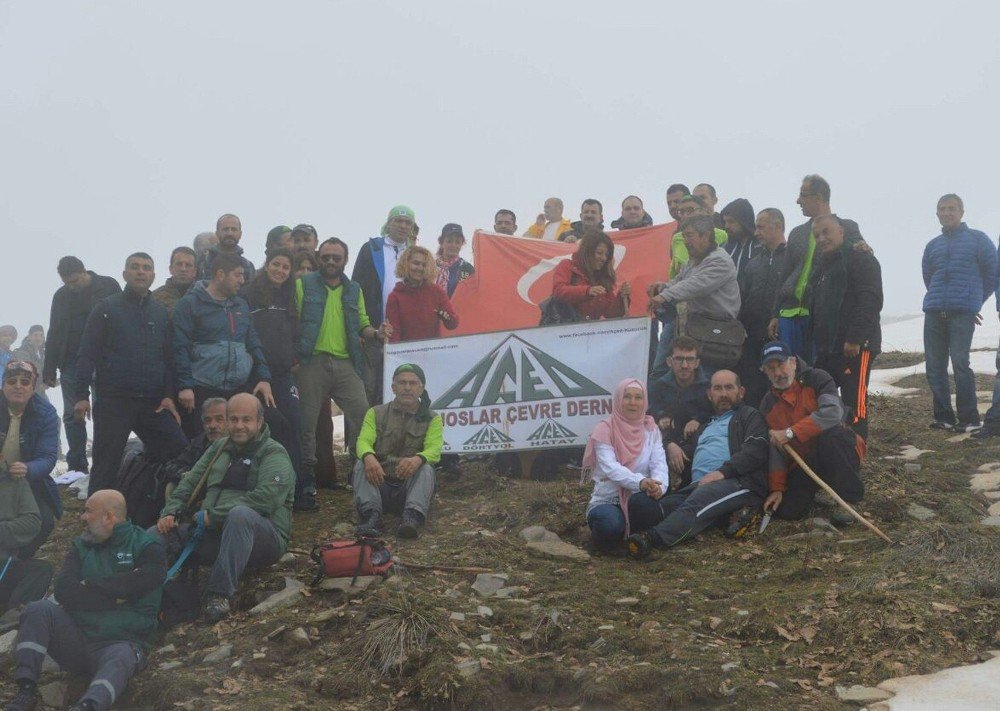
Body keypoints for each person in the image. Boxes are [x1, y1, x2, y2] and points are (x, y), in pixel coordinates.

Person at [7, 490, 165, 711]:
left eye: (88, 511)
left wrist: (90, 584)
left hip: (120, 641)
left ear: (109, 517)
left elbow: (144, 587)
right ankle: (26, 689)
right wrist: (117, 596)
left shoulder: (147, 546)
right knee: (38, 609)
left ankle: (88, 706)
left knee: (121, 658)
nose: (83, 517)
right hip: (77, 638)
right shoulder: (82, 545)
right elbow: (64, 591)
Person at [156, 393, 294, 622]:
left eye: (246, 420)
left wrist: (214, 515)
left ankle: (219, 594)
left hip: (263, 538)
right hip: (213, 533)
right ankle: (150, 597)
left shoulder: (274, 452)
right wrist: (170, 512)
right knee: (155, 535)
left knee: (239, 515)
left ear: (259, 422)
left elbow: (266, 499)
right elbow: (189, 484)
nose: (239, 426)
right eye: (234, 419)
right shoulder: (219, 448)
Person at [74, 253, 189, 495]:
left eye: (146, 268)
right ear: (125, 274)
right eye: (134, 267)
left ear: (153, 276)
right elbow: (86, 354)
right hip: (114, 400)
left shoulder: (159, 313)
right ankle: (95, 522)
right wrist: (81, 395)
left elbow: (168, 359)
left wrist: (169, 395)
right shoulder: (106, 308)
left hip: (152, 402)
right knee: (106, 464)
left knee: (179, 449)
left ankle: (166, 509)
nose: (140, 272)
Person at [626, 370, 770, 558]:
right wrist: (671, 445)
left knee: (700, 499)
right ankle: (722, 517)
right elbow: (679, 450)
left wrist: (722, 473)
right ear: (710, 394)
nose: (723, 394)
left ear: (741, 392)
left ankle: (653, 538)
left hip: (739, 482)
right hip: (696, 486)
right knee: (649, 506)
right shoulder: (705, 426)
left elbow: (756, 449)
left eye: (729, 387)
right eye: (718, 388)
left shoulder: (749, 416)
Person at [296, 238, 390, 497]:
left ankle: (361, 469)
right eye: (326, 257)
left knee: (364, 417)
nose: (330, 262)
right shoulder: (303, 285)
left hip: (346, 362)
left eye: (336, 258)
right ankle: (306, 480)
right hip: (311, 362)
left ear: (345, 260)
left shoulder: (354, 289)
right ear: (319, 258)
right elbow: (294, 319)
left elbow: (362, 322)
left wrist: (376, 333)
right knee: (307, 425)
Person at [758, 342, 865, 522]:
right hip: (807, 462)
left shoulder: (817, 378)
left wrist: (790, 433)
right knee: (787, 512)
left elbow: (832, 413)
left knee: (829, 437)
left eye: (781, 365)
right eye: (771, 368)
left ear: (792, 362)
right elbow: (776, 447)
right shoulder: (767, 405)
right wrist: (777, 488)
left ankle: (850, 498)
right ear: (765, 372)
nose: (778, 373)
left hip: (841, 448)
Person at [240, 249, 310, 510]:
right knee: (272, 424)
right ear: (266, 265)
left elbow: (297, 329)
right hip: (257, 376)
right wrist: (259, 370)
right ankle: (267, 485)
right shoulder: (249, 293)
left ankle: (299, 487)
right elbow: (247, 334)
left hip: (283, 374)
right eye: (276, 265)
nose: (280, 270)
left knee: (294, 422)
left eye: (285, 267)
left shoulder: (291, 295)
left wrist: (296, 355)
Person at [921, 194, 997, 433]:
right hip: (934, 310)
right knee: (934, 366)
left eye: (951, 208)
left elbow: (992, 274)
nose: (946, 213)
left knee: (960, 363)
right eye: (942, 209)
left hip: (963, 313)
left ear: (962, 211)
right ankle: (944, 417)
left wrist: (974, 302)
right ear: (937, 214)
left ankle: (969, 418)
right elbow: (928, 276)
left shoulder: (978, 240)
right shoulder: (932, 245)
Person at [770, 174, 865, 360]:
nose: (798, 201)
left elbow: (861, 256)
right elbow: (785, 275)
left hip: (819, 314)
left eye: (803, 195)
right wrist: (775, 313)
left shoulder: (847, 227)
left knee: (815, 371)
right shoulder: (797, 233)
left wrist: (865, 247)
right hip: (788, 314)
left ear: (819, 197)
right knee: (790, 370)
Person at [43, 256, 121, 477]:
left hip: (104, 359)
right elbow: (54, 331)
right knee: (72, 413)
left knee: (104, 409)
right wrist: (49, 368)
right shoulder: (61, 296)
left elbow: (122, 319)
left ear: (85, 272)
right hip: (71, 361)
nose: (72, 286)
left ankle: (105, 463)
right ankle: (77, 465)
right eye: (67, 282)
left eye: (75, 281)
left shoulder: (108, 285)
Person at [808, 214, 883, 441]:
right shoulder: (821, 265)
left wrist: (855, 338)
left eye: (826, 232)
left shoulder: (861, 258)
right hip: (828, 348)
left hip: (856, 346)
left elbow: (870, 300)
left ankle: (856, 454)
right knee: (820, 395)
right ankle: (832, 447)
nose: (822, 238)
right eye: (817, 235)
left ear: (841, 231)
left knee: (854, 404)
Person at [353, 364, 442, 538]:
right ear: (393, 388)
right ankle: (371, 516)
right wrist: (368, 457)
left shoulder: (433, 418)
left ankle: (412, 517)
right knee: (361, 462)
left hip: (409, 487)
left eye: (413, 383)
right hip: (379, 484)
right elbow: (363, 441)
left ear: (421, 388)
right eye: (402, 383)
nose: (407, 387)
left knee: (426, 468)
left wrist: (418, 459)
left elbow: (434, 449)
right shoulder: (375, 413)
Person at [583, 379, 669, 551]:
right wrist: (641, 482)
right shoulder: (604, 429)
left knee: (648, 506)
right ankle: (607, 541)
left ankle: (636, 540)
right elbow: (611, 468)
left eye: (638, 398)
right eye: (627, 397)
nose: (632, 402)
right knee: (610, 525)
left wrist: (659, 486)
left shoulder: (651, 429)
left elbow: (659, 464)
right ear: (618, 400)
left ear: (644, 402)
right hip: (608, 498)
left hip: (638, 495)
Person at [649, 216, 741, 373]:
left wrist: (666, 295)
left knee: (706, 379)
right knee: (665, 374)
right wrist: (663, 287)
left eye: (689, 235)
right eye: (683, 236)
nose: (685, 241)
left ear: (705, 235)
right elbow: (680, 280)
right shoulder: (694, 260)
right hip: (693, 328)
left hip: (715, 334)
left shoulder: (720, 260)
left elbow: (696, 285)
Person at [352, 205, 416, 404]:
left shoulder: (415, 254)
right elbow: (356, 288)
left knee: (402, 391)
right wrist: (360, 329)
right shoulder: (372, 249)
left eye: (408, 223)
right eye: (398, 221)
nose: (403, 226)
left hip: (405, 337)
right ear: (389, 223)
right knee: (367, 390)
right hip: (374, 333)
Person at [0, 360, 61, 559]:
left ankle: (17, 563)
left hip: (27, 480)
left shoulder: (46, 413)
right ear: (3, 386)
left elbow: (48, 457)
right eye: (11, 381)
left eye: (25, 382)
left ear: (33, 388)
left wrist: (28, 468)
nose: (18, 385)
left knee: (44, 521)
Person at [0, 405, 50, 622]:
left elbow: (32, 521)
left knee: (41, 570)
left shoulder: (16, 484)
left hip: (5, 561)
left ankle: (10, 618)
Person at [737, 209, 788, 407]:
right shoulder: (753, 262)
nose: (756, 232)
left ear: (777, 226)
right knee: (752, 388)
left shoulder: (792, 258)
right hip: (751, 337)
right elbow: (743, 295)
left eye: (760, 226)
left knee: (778, 388)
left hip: (779, 335)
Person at [647, 337, 713, 489]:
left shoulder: (709, 385)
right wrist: (661, 415)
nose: (684, 365)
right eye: (679, 359)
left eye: (690, 360)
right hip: (666, 439)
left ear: (697, 362)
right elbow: (649, 412)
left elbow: (718, 412)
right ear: (669, 361)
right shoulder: (658, 385)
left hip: (700, 441)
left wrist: (698, 419)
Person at [159, 397, 228, 500]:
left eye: (219, 419)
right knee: (171, 486)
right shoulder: (199, 442)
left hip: (225, 494)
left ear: (231, 420)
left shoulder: (239, 442)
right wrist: (185, 474)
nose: (212, 425)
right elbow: (172, 466)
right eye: (207, 420)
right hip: (198, 492)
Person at [386, 246, 460, 342]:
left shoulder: (437, 291)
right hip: (406, 354)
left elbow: (453, 324)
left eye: (424, 265)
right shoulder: (395, 297)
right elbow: (394, 334)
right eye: (416, 263)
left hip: (433, 352)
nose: (420, 268)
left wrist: (447, 318)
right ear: (405, 264)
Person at [551, 231, 630, 320]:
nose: (604, 258)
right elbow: (558, 291)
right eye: (599, 253)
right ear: (587, 251)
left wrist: (622, 297)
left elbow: (611, 314)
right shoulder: (567, 265)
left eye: (607, 255)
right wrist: (587, 291)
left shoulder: (603, 278)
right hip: (563, 330)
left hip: (590, 331)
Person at [667, 195, 729, 278]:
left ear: (703, 211)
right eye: (681, 212)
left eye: (690, 210)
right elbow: (675, 271)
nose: (685, 215)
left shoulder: (722, 235)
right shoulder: (677, 238)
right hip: (681, 287)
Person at [196, 213, 256, 282]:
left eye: (234, 229)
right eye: (225, 229)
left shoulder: (247, 266)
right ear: (217, 233)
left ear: (240, 234)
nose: (229, 233)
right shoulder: (203, 262)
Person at [720, 198, 760, 287]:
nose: (726, 226)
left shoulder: (761, 249)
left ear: (744, 222)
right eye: (725, 221)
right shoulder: (723, 249)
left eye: (731, 221)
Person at [151, 246, 198, 316]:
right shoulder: (155, 297)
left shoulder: (203, 297)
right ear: (170, 269)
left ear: (195, 271)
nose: (183, 269)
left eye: (188, 265)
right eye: (179, 264)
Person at [435, 223, 476, 297]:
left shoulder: (467, 268)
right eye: (449, 241)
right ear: (441, 242)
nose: (453, 245)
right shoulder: (430, 265)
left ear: (462, 244)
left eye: (457, 242)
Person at [12, 326, 46, 395]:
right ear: (29, 337)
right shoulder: (22, 352)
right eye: (36, 335)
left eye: (41, 335)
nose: (38, 338)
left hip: (39, 390)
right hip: (26, 391)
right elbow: (27, 371)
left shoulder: (42, 354)